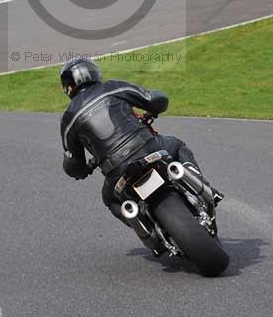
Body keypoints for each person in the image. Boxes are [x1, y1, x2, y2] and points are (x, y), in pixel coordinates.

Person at [60, 57, 222, 254]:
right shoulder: (112, 87)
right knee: (178, 146)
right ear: (94, 73)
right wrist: (157, 105)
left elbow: (73, 166)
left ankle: (148, 234)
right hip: (148, 148)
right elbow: (154, 99)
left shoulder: (68, 119)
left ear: (68, 87)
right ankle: (205, 189)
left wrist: (85, 168)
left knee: (110, 200)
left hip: (117, 172)